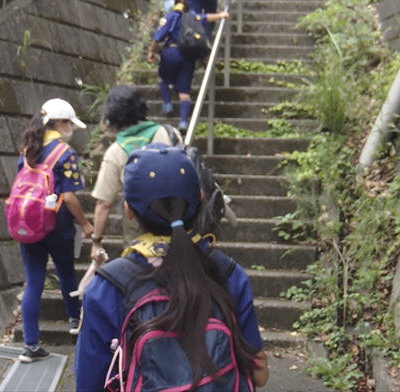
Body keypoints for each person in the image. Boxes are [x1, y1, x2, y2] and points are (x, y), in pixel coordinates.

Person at [74, 144, 269, 392]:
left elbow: (88, 383)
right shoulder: (228, 273)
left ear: (129, 210)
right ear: (200, 198)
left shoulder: (108, 286)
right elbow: (259, 375)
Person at [16, 98, 94, 363]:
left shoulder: (28, 149)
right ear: (60, 123)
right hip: (57, 222)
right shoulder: (64, 152)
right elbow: (70, 198)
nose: (70, 127)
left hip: (27, 222)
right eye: (69, 123)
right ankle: (75, 320)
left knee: (33, 281)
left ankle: (30, 345)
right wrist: (85, 224)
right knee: (66, 272)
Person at [90, 85, 182, 262]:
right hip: (176, 214)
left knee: (138, 268)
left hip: (138, 224)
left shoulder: (115, 151)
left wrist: (96, 241)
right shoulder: (169, 134)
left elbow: (104, 203)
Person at [148, 0, 229, 134]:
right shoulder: (191, 16)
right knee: (184, 90)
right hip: (188, 56)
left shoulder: (170, 16)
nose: (166, 1)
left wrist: (151, 52)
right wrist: (222, 15)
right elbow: (205, 18)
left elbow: (157, 38)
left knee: (162, 77)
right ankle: (184, 121)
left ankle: (167, 104)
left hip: (171, 52)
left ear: (179, 0)